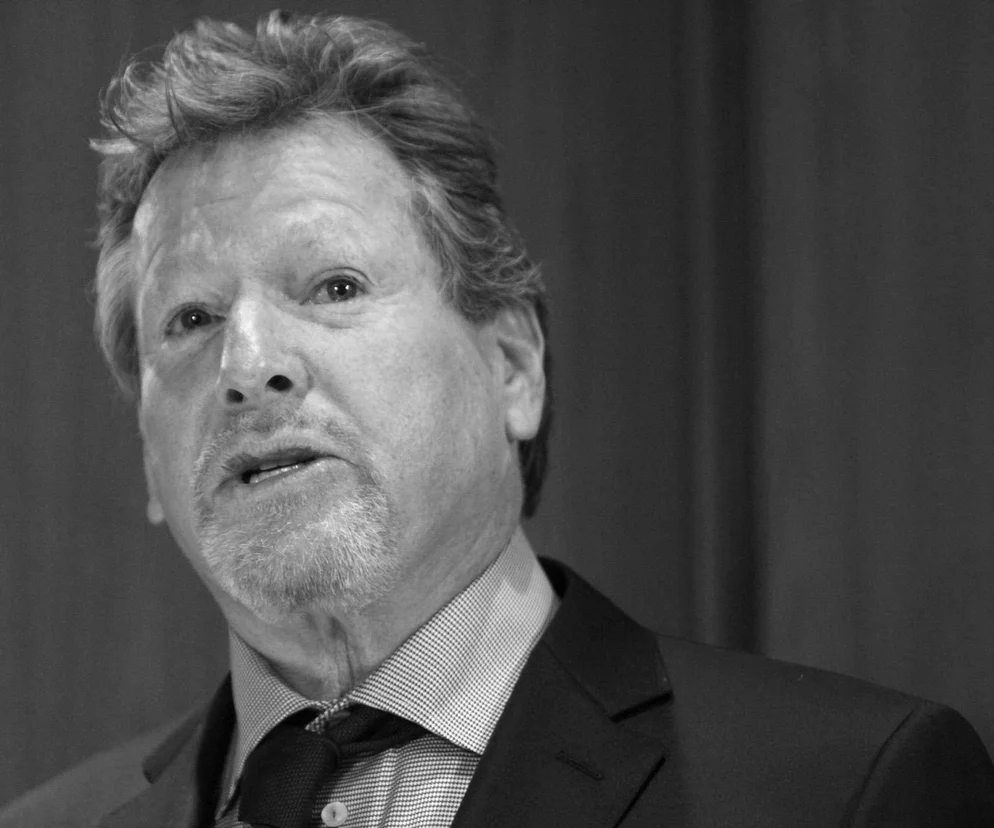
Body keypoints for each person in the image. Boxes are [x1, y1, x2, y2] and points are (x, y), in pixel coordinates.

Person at [3, 10, 993, 828]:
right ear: (149, 457)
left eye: (334, 285)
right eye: (191, 320)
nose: (248, 366)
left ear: (512, 366)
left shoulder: (846, 791)